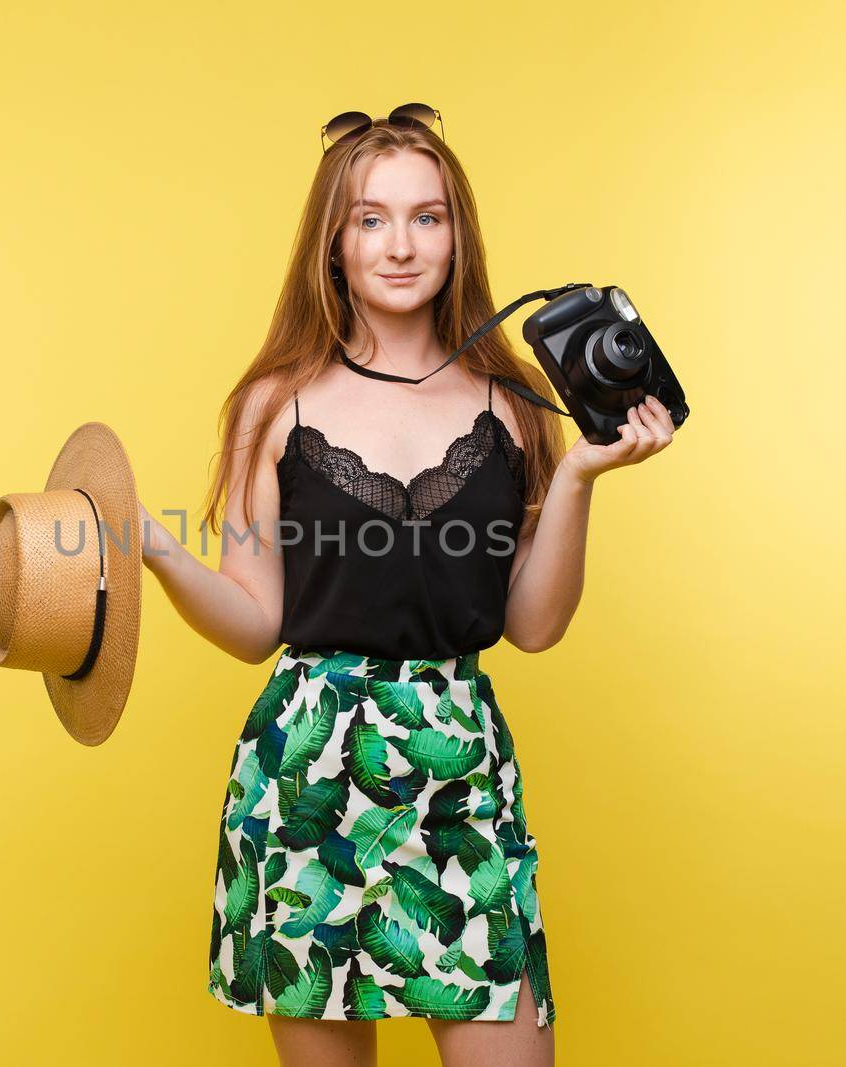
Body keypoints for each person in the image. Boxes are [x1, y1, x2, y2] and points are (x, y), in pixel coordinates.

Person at [138, 109, 676, 1067]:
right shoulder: (277, 400)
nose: (399, 244)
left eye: (426, 217)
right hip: (306, 787)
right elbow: (256, 621)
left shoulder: (515, 399)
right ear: (333, 244)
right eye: (370, 219)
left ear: (457, 235)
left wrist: (584, 476)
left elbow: (535, 626)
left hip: (457, 774)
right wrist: (156, 549)